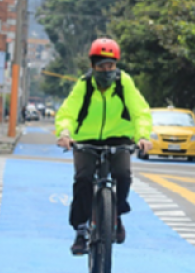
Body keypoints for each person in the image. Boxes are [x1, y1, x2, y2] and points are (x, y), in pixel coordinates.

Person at [55, 38, 153, 255]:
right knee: (83, 179)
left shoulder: (123, 82)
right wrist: (64, 133)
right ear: (93, 66)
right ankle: (80, 230)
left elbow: (139, 111)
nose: (106, 70)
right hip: (86, 140)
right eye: (102, 66)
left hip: (119, 138)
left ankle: (116, 213)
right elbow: (68, 113)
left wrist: (143, 136)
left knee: (123, 175)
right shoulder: (84, 84)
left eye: (111, 66)